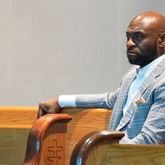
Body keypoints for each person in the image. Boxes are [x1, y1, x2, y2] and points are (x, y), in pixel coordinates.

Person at [38, 11, 165, 144]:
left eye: (138, 37)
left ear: (161, 40)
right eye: (128, 37)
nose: (129, 43)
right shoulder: (132, 74)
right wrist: (60, 101)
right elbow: (109, 100)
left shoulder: (162, 81)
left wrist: (99, 150)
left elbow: (150, 140)